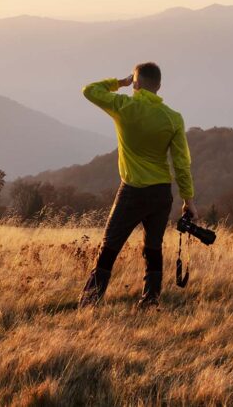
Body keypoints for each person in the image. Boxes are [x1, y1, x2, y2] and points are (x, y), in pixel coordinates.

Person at [79, 62, 196, 309]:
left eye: (133, 82)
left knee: (110, 245)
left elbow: (89, 90)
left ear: (137, 83)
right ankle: (150, 300)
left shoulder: (124, 106)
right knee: (153, 247)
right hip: (161, 193)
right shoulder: (173, 118)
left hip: (132, 190)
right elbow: (181, 162)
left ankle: (90, 301)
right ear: (159, 85)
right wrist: (188, 200)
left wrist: (118, 84)